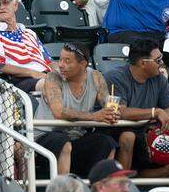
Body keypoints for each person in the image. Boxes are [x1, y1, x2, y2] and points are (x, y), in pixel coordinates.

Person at [100, 38, 169, 178]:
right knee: (128, 136)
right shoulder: (115, 77)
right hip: (117, 132)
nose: (162, 64)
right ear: (143, 63)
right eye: (158, 60)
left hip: (148, 132)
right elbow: (121, 111)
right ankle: (122, 188)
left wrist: (156, 122)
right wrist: (156, 113)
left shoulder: (159, 78)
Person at [35, 43, 122, 176]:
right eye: (60, 59)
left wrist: (111, 113)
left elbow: (108, 105)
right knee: (63, 142)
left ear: (83, 64)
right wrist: (95, 116)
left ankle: (102, 190)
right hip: (44, 137)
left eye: (67, 61)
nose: (61, 65)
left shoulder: (96, 77)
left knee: (107, 143)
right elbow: (58, 112)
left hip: (77, 137)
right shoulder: (53, 77)